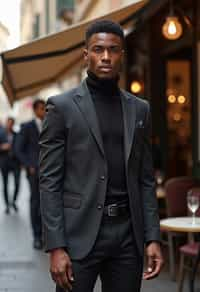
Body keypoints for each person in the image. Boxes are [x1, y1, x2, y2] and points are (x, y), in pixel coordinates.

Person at [39, 20, 163, 292]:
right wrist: (55, 246)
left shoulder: (140, 109)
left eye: (113, 50)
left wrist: (153, 237)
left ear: (122, 54)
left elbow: (145, 179)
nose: (105, 57)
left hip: (128, 236)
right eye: (98, 49)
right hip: (78, 236)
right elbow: (49, 182)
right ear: (86, 55)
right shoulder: (61, 108)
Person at [16, 99, 45, 249]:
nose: (44, 111)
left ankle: (47, 235)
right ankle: (37, 236)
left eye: (45, 108)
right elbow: (18, 148)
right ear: (34, 110)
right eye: (41, 108)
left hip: (50, 172)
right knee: (35, 203)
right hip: (34, 172)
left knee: (48, 203)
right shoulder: (27, 127)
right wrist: (29, 165)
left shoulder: (50, 124)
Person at [0, 117, 21, 214]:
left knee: (17, 183)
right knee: (5, 184)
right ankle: (7, 205)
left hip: (15, 163)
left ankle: (14, 201)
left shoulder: (17, 135)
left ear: (13, 124)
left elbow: (21, 148)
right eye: (8, 123)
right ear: (6, 124)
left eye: (11, 123)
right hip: (4, 163)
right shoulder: (1, 134)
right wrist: (2, 147)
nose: (9, 125)